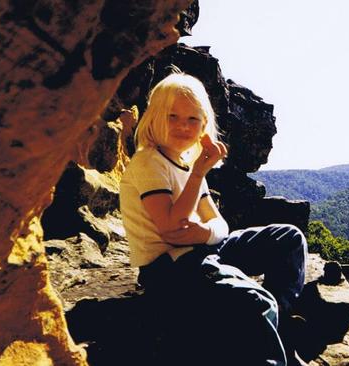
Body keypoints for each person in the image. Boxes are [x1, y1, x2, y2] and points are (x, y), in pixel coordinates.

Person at [119, 72, 308, 365]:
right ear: (154, 117)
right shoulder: (149, 162)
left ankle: (279, 321)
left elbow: (220, 225)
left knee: (289, 237)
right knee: (255, 301)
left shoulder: (186, 164)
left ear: (204, 126)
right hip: (170, 268)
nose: (183, 125)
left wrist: (203, 233)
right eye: (172, 116)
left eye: (193, 119)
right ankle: (272, 348)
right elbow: (170, 227)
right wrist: (198, 176)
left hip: (201, 249)